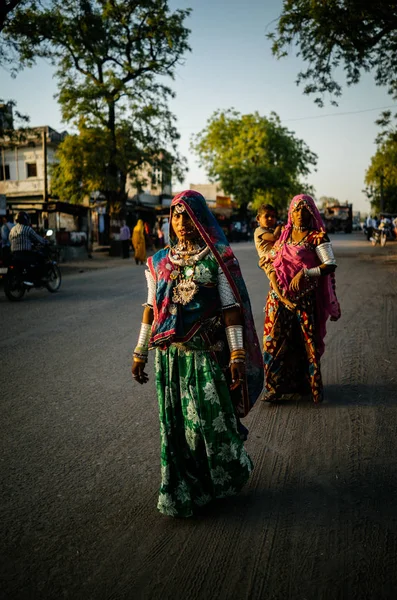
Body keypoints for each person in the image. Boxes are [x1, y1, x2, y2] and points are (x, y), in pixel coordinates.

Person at [131, 190, 263, 517]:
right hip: (170, 359)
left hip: (206, 356)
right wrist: (139, 351)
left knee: (207, 423)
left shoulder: (218, 257)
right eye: (176, 216)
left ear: (201, 217)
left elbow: (231, 308)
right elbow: (151, 308)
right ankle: (186, 488)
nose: (182, 223)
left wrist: (237, 356)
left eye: (188, 216)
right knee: (176, 426)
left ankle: (214, 481)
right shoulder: (159, 261)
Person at [261, 194, 341, 405]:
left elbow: (330, 264)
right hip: (278, 298)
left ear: (312, 212)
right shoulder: (284, 236)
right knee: (273, 342)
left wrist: (306, 273)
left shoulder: (318, 237)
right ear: (290, 213)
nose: (300, 214)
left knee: (307, 344)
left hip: (305, 299)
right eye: (296, 210)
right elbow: (273, 257)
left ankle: (308, 386)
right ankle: (274, 388)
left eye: (305, 209)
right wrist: (267, 261)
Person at [254, 204, 295, 312]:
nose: (271, 219)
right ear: (258, 218)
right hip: (267, 260)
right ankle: (281, 298)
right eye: (267, 216)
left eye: (273, 216)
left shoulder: (270, 229)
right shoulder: (259, 231)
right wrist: (279, 227)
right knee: (273, 275)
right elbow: (274, 237)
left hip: (275, 257)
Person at [9, 211, 50, 283]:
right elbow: (38, 239)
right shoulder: (27, 229)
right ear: (25, 219)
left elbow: (10, 240)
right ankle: (39, 278)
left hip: (14, 254)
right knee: (40, 258)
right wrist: (46, 241)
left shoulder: (12, 230)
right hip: (25, 254)